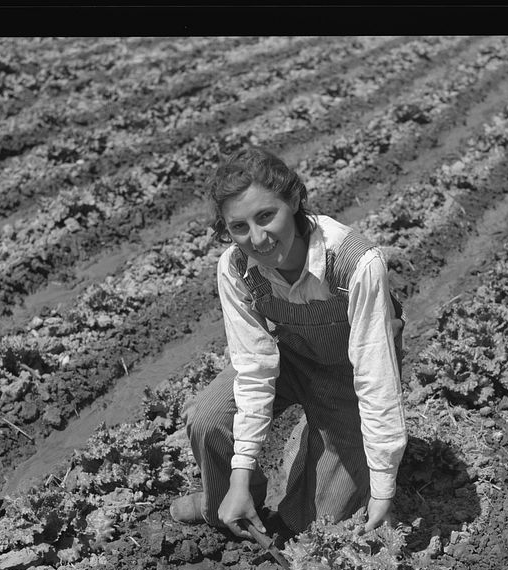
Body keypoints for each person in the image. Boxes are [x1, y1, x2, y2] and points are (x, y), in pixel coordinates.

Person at [169, 145, 407, 541]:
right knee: (208, 418)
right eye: (240, 227)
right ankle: (228, 501)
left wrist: (384, 487)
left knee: (313, 526)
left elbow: (375, 376)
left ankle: (323, 452)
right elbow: (255, 366)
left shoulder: (356, 263)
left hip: (347, 375)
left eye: (267, 216)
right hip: (289, 357)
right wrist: (241, 475)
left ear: (293, 201)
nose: (257, 238)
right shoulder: (235, 268)